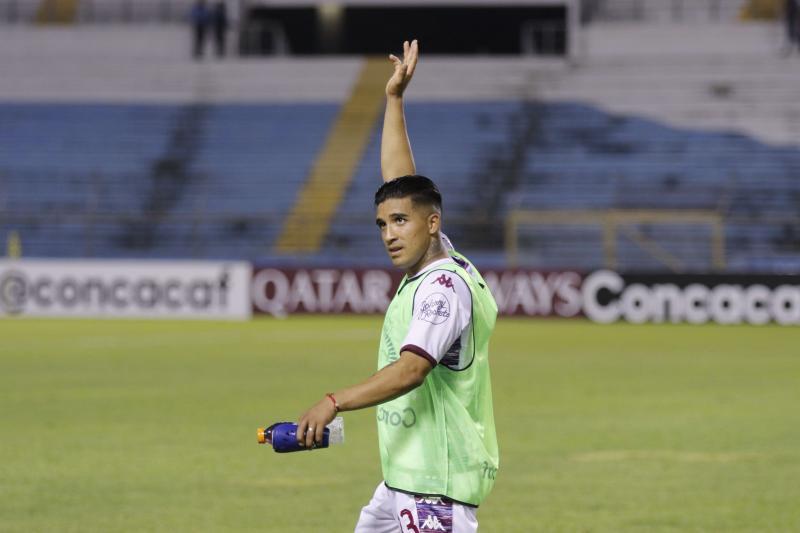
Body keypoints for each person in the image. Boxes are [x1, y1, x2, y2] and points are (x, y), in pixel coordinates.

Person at [294, 40, 500, 533]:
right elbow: (402, 183)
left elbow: (411, 370)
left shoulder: (441, 290)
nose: (389, 234)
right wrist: (394, 100)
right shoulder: (436, 257)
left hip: (436, 483)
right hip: (404, 479)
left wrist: (333, 400)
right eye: (382, 224)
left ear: (432, 224)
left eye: (400, 222)